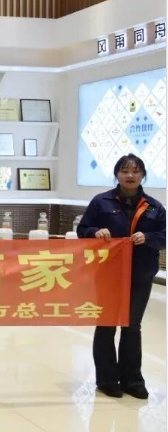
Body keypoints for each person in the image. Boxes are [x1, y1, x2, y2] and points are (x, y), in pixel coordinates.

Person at [77, 154, 166, 399]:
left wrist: (148, 238)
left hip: (140, 274)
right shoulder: (101, 202)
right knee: (106, 325)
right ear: (116, 174)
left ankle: (132, 380)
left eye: (135, 171)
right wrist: (96, 232)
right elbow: (82, 230)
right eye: (125, 170)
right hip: (107, 273)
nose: (130, 175)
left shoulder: (154, 207)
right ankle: (107, 380)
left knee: (132, 326)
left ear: (143, 175)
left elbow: (164, 237)